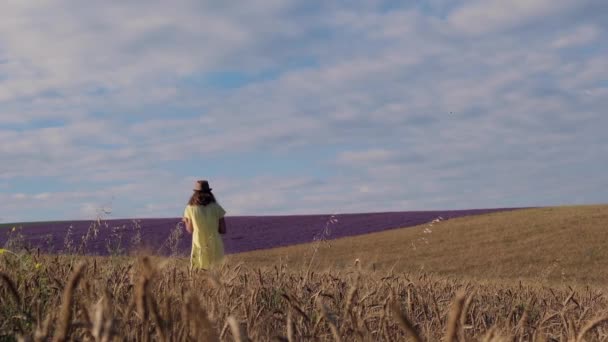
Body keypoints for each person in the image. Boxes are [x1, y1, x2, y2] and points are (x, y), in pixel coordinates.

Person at [182, 180, 227, 269]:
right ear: (209, 192)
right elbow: (223, 229)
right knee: (217, 272)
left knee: (199, 271)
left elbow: (190, 230)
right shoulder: (216, 207)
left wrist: (186, 221)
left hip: (199, 243)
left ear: (195, 193)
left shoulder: (190, 208)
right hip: (215, 244)